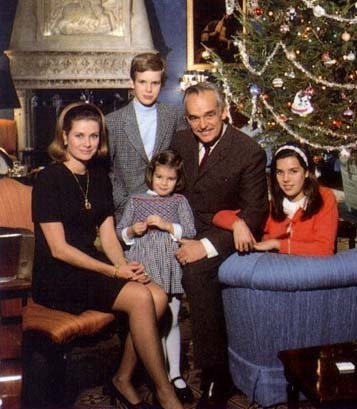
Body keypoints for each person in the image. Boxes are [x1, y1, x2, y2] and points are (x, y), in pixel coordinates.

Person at [31, 102, 183, 409]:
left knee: (156, 296)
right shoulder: (48, 179)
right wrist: (113, 272)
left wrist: (125, 266)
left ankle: (122, 378)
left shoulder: (98, 176)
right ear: (64, 137)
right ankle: (165, 392)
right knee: (140, 298)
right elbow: (59, 249)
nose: (87, 143)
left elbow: (108, 233)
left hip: (90, 266)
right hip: (58, 275)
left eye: (94, 136)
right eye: (79, 136)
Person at [171, 82, 268, 409]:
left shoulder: (248, 151)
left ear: (224, 111)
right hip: (180, 229)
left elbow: (254, 215)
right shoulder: (180, 141)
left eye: (209, 115)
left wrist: (206, 246)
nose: (203, 124)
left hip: (221, 237)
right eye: (194, 118)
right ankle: (158, 369)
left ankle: (215, 376)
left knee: (197, 272)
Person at [116, 150, 196, 403]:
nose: (164, 183)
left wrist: (166, 225)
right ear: (151, 175)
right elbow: (120, 232)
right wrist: (132, 230)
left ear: (178, 180)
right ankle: (157, 374)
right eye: (159, 177)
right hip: (144, 267)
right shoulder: (136, 200)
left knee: (171, 320)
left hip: (169, 266)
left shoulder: (179, 201)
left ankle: (175, 374)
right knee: (152, 322)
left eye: (170, 179)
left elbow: (190, 231)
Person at [214, 144, 338, 256]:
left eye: (293, 171)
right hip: (274, 267)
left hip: (309, 269)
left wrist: (277, 244)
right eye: (280, 172)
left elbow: (325, 249)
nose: (286, 179)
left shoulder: (324, 197)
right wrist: (237, 224)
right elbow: (219, 216)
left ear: (306, 172)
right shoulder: (271, 203)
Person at [106, 52, 182, 221]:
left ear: (161, 84)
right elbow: (106, 170)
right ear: (132, 82)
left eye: (155, 83)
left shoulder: (173, 116)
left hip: (166, 210)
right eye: (142, 82)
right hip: (127, 211)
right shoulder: (113, 121)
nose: (148, 89)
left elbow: (181, 162)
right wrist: (122, 201)